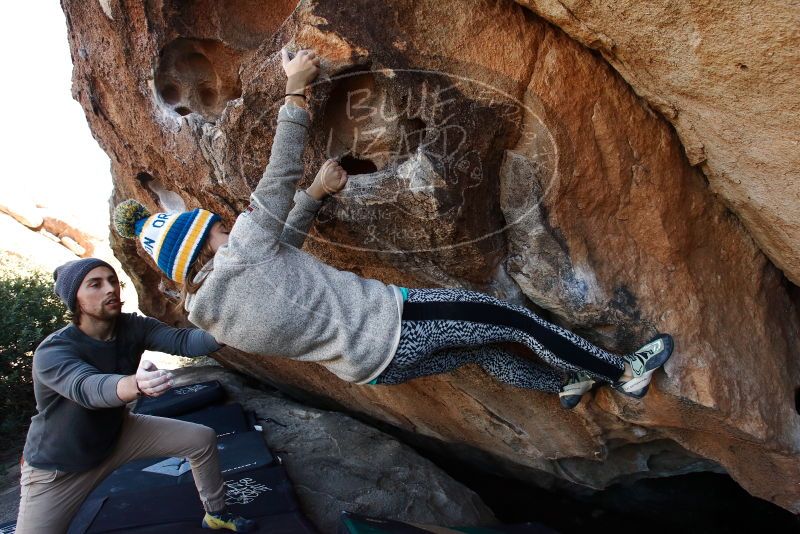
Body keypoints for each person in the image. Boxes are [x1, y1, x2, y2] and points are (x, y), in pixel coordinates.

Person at [113, 48, 673, 413]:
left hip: (372, 369)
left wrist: (317, 194)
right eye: (215, 228)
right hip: (395, 326)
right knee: (506, 317)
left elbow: (279, 249)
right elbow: (277, 177)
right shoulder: (241, 256)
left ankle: (563, 384)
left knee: (481, 351)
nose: (227, 228)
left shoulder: (220, 312)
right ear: (204, 242)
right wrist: (295, 90)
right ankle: (619, 370)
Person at [16, 258, 256, 533]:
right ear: (75, 299)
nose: (110, 289)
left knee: (200, 439)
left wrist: (229, 330)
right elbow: (87, 388)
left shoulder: (132, 326)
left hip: (118, 434)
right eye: (95, 284)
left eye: (112, 280)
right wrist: (136, 385)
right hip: (61, 466)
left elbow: (183, 341)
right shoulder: (54, 351)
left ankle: (217, 514)